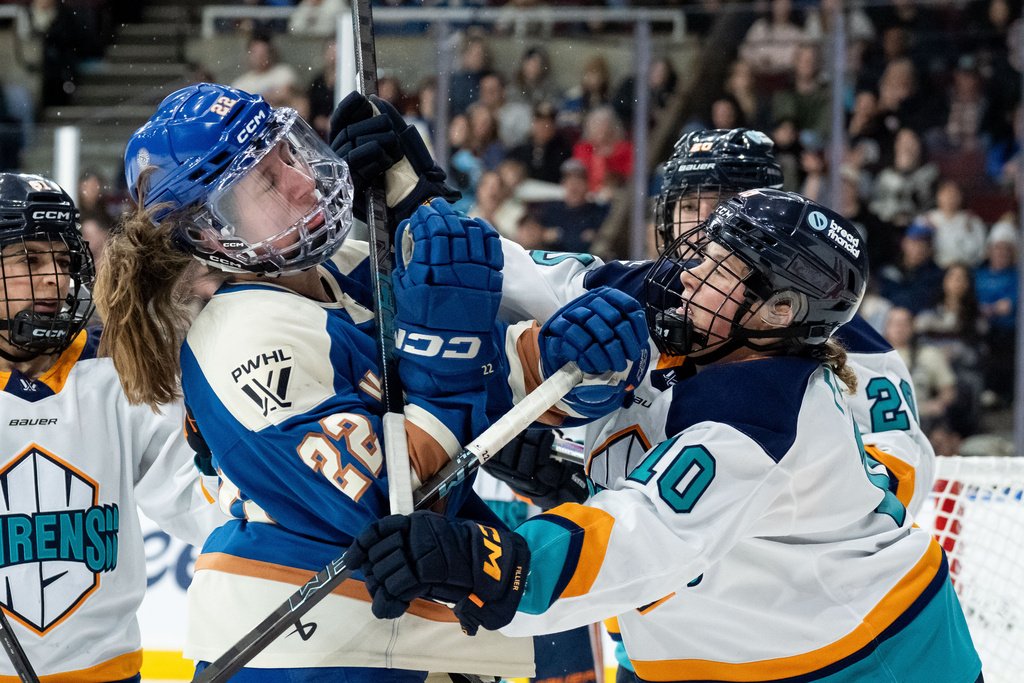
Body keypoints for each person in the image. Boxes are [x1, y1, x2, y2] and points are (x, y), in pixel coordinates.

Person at [96, 82, 644, 683]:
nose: (303, 181)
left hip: (408, 641)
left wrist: (567, 363)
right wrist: (449, 348)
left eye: (288, 155)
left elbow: (483, 368)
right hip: (309, 654)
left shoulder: (344, 268)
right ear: (207, 232)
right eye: (267, 183)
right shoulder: (240, 340)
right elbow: (393, 508)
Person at [349, 189, 984, 683]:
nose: (688, 272)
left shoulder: (766, 416)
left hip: (872, 660)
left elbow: (641, 535)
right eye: (703, 252)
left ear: (777, 312)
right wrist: (414, 201)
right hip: (721, 652)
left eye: (719, 268)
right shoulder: (697, 315)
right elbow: (552, 284)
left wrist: (487, 563)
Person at [0, 172, 226, 681]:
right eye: (30, 260)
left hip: (107, 671)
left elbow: (198, 500)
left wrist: (263, 499)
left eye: (61, 260)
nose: (54, 280)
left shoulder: (115, 369)